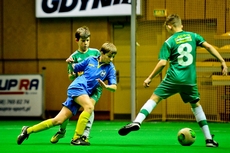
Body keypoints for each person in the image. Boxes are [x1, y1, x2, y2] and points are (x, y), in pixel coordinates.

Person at [118, 14, 228, 148]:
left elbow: (163, 63)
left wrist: (149, 78)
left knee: (154, 98)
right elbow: (209, 46)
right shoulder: (193, 36)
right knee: (196, 105)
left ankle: (137, 122)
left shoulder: (169, 42)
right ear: (181, 25)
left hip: (173, 78)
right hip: (189, 80)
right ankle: (209, 139)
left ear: (169, 26)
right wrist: (222, 61)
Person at [17, 42, 118, 145]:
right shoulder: (90, 59)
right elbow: (75, 68)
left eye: (113, 57)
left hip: (84, 93)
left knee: (58, 120)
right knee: (89, 107)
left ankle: (27, 130)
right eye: (109, 56)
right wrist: (70, 63)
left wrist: (106, 87)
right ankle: (76, 138)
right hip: (77, 87)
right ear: (102, 53)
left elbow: (114, 87)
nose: (111, 59)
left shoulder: (110, 68)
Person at [50, 26, 102, 145]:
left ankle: (84, 135)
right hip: (79, 88)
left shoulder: (96, 53)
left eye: (88, 40)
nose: (86, 43)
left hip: (93, 88)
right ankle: (62, 131)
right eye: (83, 41)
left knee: (90, 108)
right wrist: (74, 71)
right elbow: (71, 76)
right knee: (65, 114)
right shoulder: (73, 57)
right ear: (77, 40)